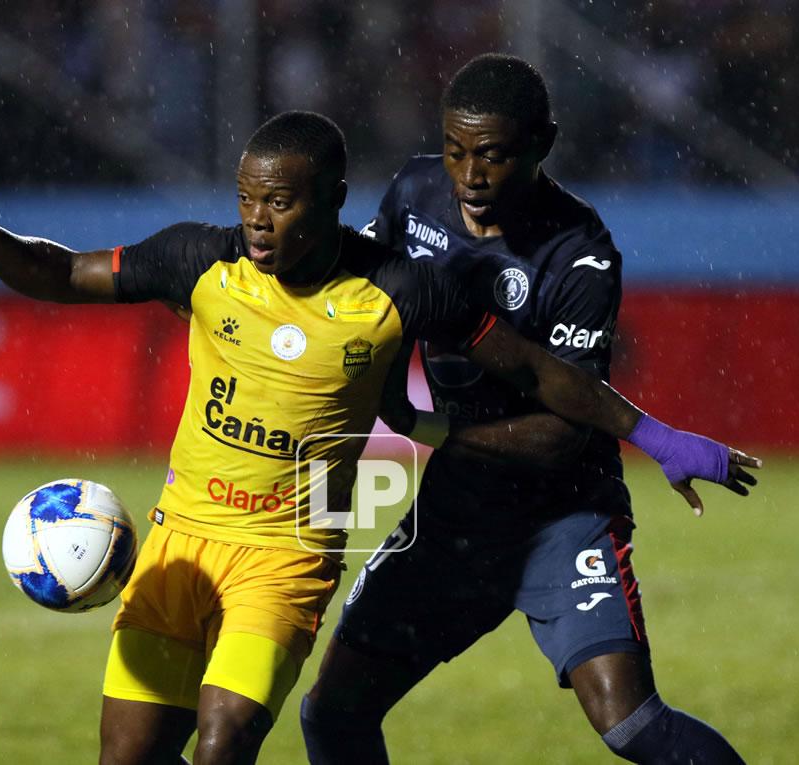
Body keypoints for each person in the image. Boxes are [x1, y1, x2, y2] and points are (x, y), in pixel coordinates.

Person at [0, 110, 757, 765]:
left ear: (331, 199)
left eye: (278, 202)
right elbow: (66, 274)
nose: (257, 221)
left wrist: (652, 433)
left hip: (287, 553)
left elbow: (541, 372)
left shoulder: (401, 288)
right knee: (128, 752)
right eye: (247, 198)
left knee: (225, 738)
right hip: (183, 538)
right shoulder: (200, 262)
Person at [301, 56, 755, 764]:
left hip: (562, 515)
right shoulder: (414, 192)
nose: (469, 174)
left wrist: (433, 431)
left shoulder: (580, 255)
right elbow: (372, 300)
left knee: (631, 723)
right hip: (454, 516)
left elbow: (564, 435)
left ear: (543, 143)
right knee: (332, 713)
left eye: (493, 154)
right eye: (456, 150)